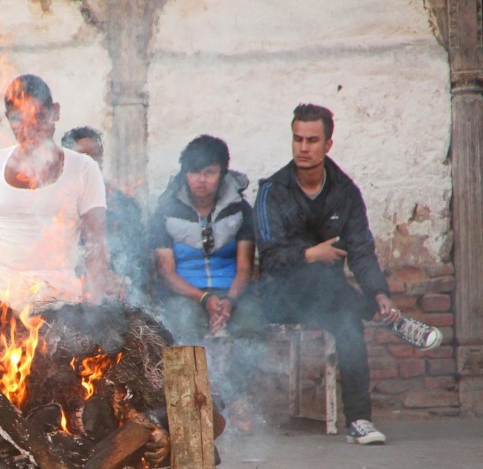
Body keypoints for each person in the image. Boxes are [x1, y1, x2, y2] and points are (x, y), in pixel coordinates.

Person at [254, 103, 439, 446]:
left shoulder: (345, 192)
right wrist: (312, 254)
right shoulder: (272, 191)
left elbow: (361, 252)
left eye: (312, 140)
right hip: (278, 297)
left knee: (346, 321)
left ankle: (359, 421)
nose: (303, 148)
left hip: (329, 300)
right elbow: (269, 259)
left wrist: (380, 292)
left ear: (328, 145)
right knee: (321, 278)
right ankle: (383, 318)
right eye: (297, 139)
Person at [0, 74, 120, 309]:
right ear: (8, 119)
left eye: (40, 117)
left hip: (59, 301)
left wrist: (94, 309)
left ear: (55, 112)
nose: (30, 128)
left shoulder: (84, 169)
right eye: (18, 119)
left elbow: (96, 248)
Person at [148, 135, 263, 423]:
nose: (201, 180)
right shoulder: (166, 211)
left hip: (229, 291)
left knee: (253, 325)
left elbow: (244, 268)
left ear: (222, 173)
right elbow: (166, 272)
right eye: (194, 172)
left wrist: (229, 301)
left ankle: (234, 398)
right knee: (182, 326)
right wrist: (203, 298)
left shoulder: (239, 210)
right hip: (186, 292)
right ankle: (193, 403)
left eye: (209, 172)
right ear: (184, 174)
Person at [60, 126, 150, 305]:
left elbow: (139, 256)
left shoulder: (123, 204)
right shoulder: (54, 203)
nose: (90, 163)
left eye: (95, 156)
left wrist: (123, 279)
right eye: (82, 157)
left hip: (115, 291)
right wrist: (87, 281)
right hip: (68, 287)